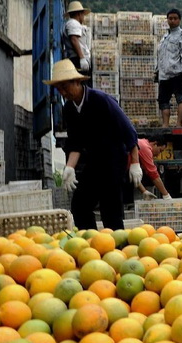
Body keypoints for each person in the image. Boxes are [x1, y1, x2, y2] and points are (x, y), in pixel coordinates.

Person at [43, 59, 142, 230]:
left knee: (110, 209)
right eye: (59, 89)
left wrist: (135, 163)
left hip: (113, 160)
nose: (63, 92)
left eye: (65, 87)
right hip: (93, 161)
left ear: (77, 82)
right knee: (80, 205)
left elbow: (128, 131)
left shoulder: (101, 100)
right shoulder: (69, 109)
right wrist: (69, 168)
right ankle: (90, 243)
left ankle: (117, 249)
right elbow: (76, 143)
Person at [155, 9, 182, 128]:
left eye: (175, 18)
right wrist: (157, 71)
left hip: (176, 72)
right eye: (170, 18)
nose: (172, 20)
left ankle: (178, 123)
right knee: (163, 101)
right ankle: (165, 124)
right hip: (164, 74)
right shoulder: (165, 37)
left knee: (180, 98)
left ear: (179, 20)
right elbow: (160, 57)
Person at [130, 135, 172, 200]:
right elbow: (153, 174)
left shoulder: (141, 143)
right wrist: (166, 195)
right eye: (160, 150)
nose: (158, 154)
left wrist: (144, 191)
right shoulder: (145, 148)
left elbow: (134, 176)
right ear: (155, 144)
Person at [62, 1, 91, 72]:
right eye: (83, 14)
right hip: (77, 59)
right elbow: (74, 39)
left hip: (78, 58)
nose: (83, 17)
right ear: (79, 14)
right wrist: (82, 58)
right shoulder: (73, 23)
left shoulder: (74, 24)